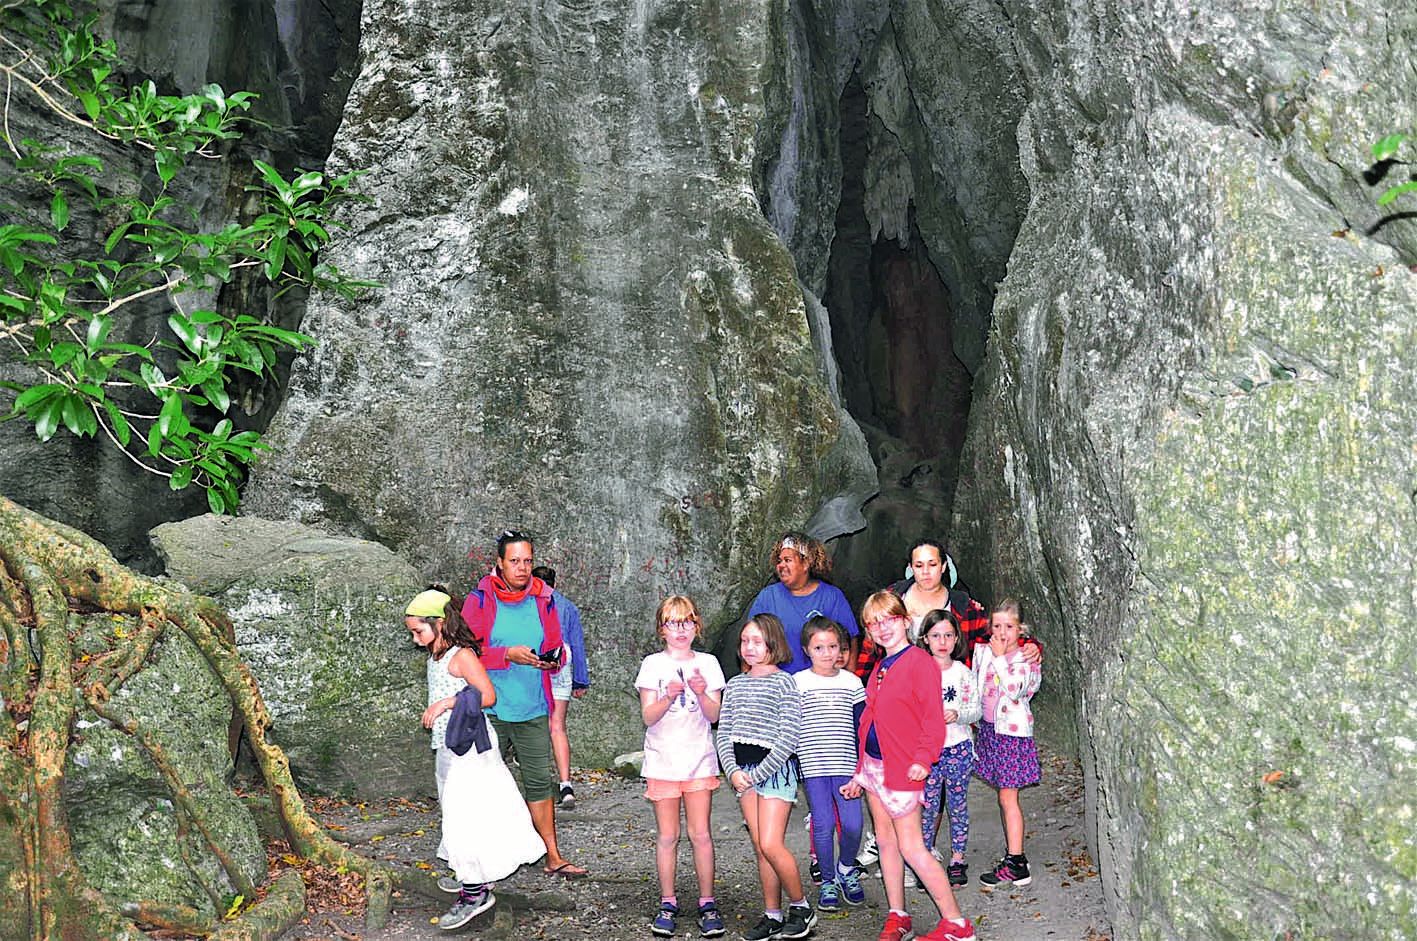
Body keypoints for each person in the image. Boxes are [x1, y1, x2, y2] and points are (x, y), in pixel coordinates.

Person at [404, 588, 546, 931]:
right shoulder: (435, 656)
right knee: (456, 811)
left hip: (468, 746)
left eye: (418, 631)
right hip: (448, 744)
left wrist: (446, 704)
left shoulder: (460, 655)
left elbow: (488, 694)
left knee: (466, 815)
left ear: (440, 623)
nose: (414, 638)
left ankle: (475, 892)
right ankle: (469, 871)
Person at [841, 592, 976, 941]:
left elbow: (933, 720)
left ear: (903, 620)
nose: (882, 628)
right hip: (874, 767)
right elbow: (869, 718)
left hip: (903, 769)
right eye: (873, 623)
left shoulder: (919, 662)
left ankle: (956, 924)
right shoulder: (880, 666)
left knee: (913, 847)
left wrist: (922, 759)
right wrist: (860, 769)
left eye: (888, 619)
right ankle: (898, 914)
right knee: (885, 842)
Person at [460, 531, 587, 878]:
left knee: (539, 782)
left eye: (527, 561)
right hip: (490, 709)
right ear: (499, 563)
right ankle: (482, 861)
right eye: (514, 561)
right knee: (483, 784)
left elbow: (554, 644)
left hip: (532, 706)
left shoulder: (544, 598)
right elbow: (465, 652)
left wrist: (553, 660)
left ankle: (553, 855)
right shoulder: (480, 600)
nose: (522, 568)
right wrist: (506, 655)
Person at [716, 614, 817, 941]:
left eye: (757, 641)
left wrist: (757, 773)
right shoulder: (734, 685)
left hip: (773, 772)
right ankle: (772, 913)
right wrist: (732, 771)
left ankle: (801, 907)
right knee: (761, 847)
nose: (749, 647)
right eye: (745, 641)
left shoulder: (784, 683)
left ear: (773, 643)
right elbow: (724, 732)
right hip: (742, 775)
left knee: (772, 843)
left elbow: (789, 736)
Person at [635, 596, 727, 938]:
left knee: (700, 834)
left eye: (687, 621)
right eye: (673, 623)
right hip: (661, 761)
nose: (680, 629)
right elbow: (648, 716)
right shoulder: (652, 665)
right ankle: (668, 902)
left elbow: (714, 715)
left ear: (697, 625)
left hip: (699, 759)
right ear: (662, 629)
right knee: (668, 835)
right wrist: (668, 696)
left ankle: (707, 902)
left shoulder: (709, 663)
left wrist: (702, 693)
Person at [792, 616, 868, 914]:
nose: (827, 653)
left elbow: (862, 727)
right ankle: (827, 880)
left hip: (846, 766)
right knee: (822, 825)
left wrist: (863, 767)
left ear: (841, 649)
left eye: (833, 646)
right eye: (819, 647)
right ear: (806, 650)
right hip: (814, 767)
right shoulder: (798, 682)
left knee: (853, 824)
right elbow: (791, 724)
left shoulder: (851, 682)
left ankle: (846, 867)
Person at [971, 598, 1042, 890]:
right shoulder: (984, 652)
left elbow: (1015, 690)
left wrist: (1000, 657)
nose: (1002, 633)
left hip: (1012, 735)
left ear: (1020, 630)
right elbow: (977, 684)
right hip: (990, 730)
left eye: (1009, 627)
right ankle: (1014, 856)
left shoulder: (1026, 660)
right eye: (997, 626)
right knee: (1003, 795)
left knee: (1008, 798)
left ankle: (1017, 861)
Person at [917, 609, 981, 887]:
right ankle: (925, 857)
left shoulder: (963, 673)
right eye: (935, 635)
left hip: (958, 747)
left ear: (956, 639)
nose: (942, 641)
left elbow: (976, 710)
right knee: (928, 805)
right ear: (925, 639)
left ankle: (957, 857)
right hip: (927, 752)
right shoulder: (918, 671)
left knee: (957, 805)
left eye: (948, 635)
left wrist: (959, 715)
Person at [745, 532, 860, 675]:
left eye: (787, 560)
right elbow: (748, 640)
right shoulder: (768, 597)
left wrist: (849, 680)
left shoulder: (831, 596)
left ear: (806, 563)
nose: (781, 565)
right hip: (775, 685)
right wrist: (748, 680)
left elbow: (850, 640)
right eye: (779, 561)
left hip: (820, 685)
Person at [531, 565, 590, 809]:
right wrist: (581, 680)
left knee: (533, 724)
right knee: (557, 726)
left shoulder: (526, 604)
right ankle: (566, 784)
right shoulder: (567, 606)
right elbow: (577, 644)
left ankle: (540, 783)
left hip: (533, 662)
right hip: (560, 662)